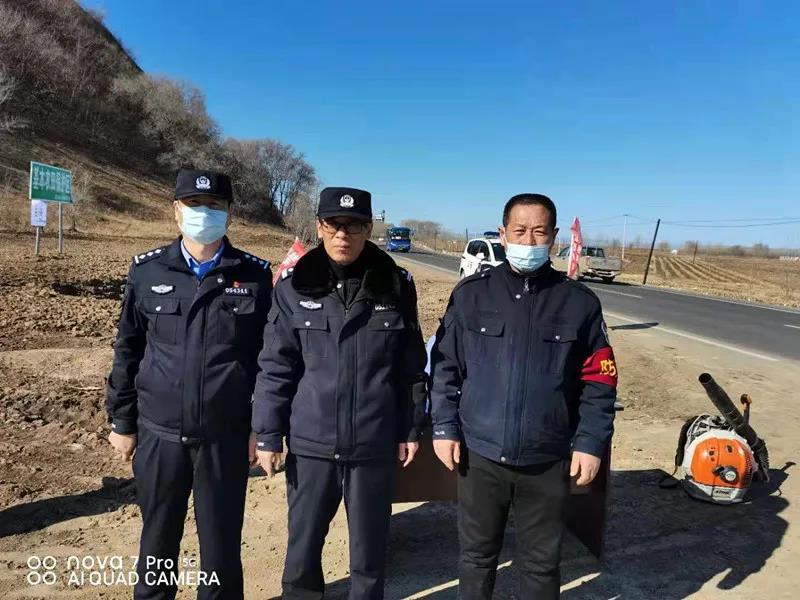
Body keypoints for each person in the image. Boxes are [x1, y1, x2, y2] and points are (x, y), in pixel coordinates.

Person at [430, 193, 618, 599]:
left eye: (539, 232)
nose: (528, 241)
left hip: (548, 458)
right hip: (481, 455)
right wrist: (444, 427)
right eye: (519, 231)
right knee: (476, 558)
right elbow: (445, 367)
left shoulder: (579, 303)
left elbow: (600, 383)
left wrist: (590, 442)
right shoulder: (471, 295)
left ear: (553, 237)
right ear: (503, 234)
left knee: (541, 564)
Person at [252, 186, 427, 600]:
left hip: (373, 443)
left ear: (368, 229)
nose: (342, 235)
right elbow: (276, 366)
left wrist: (410, 428)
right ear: (319, 226)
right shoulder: (294, 286)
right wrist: (268, 434)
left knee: (369, 553)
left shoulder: (396, 284)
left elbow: (410, 367)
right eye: (333, 224)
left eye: (354, 226)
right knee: (302, 549)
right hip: (312, 444)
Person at [106, 169, 273, 600]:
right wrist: (122, 421)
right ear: (176, 211)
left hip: (225, 437)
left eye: (214, 205)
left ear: (229, 213)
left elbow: (266, 360)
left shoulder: (255, 276)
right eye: (194, 205)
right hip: (159, 434)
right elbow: (128, 349)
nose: (204, 213)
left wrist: (260, 427)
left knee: (220, 547)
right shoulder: (147, 270)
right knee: (158, 541)